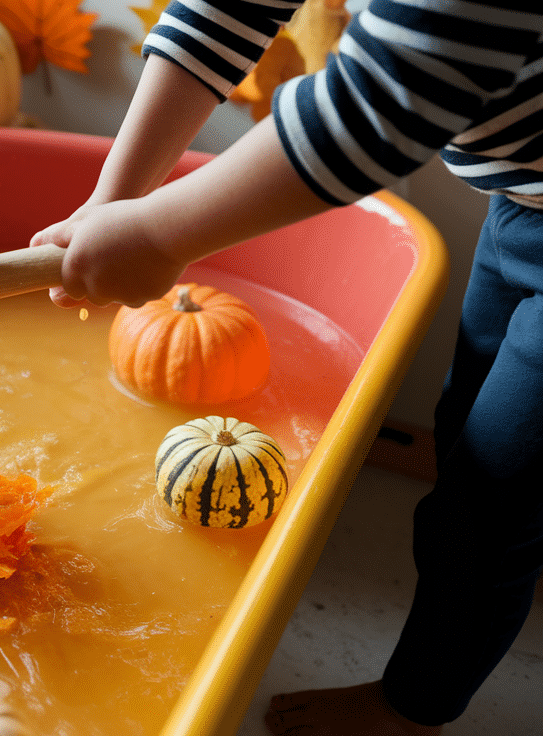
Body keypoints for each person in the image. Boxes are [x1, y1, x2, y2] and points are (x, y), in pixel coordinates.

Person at [30, 1, 543, 734]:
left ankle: (415, 706)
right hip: (523, 200)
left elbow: (387, 99)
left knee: (486, 505)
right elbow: (225, 11)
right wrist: (116, 198)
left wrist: (157, 231)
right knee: (468, 440)